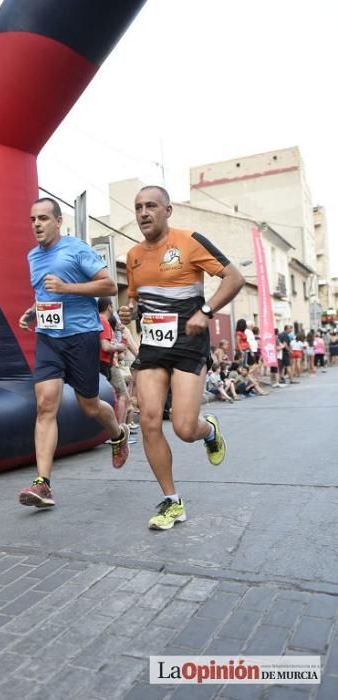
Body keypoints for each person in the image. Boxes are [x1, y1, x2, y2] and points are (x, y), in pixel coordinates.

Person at [119, 185, 244, 530]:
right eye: (138, 207)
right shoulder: (132, 256)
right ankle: (172, 501)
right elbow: (136, 300)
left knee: (185, 428)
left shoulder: (190, 241)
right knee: (148, 420)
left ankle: (209, 432)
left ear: (167, 210)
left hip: (189, 343)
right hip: (153, 346)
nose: (144, 213)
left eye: (151, 206)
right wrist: (130, 311)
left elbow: (235, 277)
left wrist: (205, 310)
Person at [17, 197, 130, 509]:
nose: (37, 224)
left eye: (43, 218)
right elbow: (44, 294)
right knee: (45, 404)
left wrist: (68, 288)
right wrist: (34, 312)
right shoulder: (32, 257)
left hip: (81, 337)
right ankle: (43, 483)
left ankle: (117, 431)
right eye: (32, 219)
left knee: (90, 406)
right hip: (49, 338)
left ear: (57, 221)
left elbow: (108, 286)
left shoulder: (77, 249)